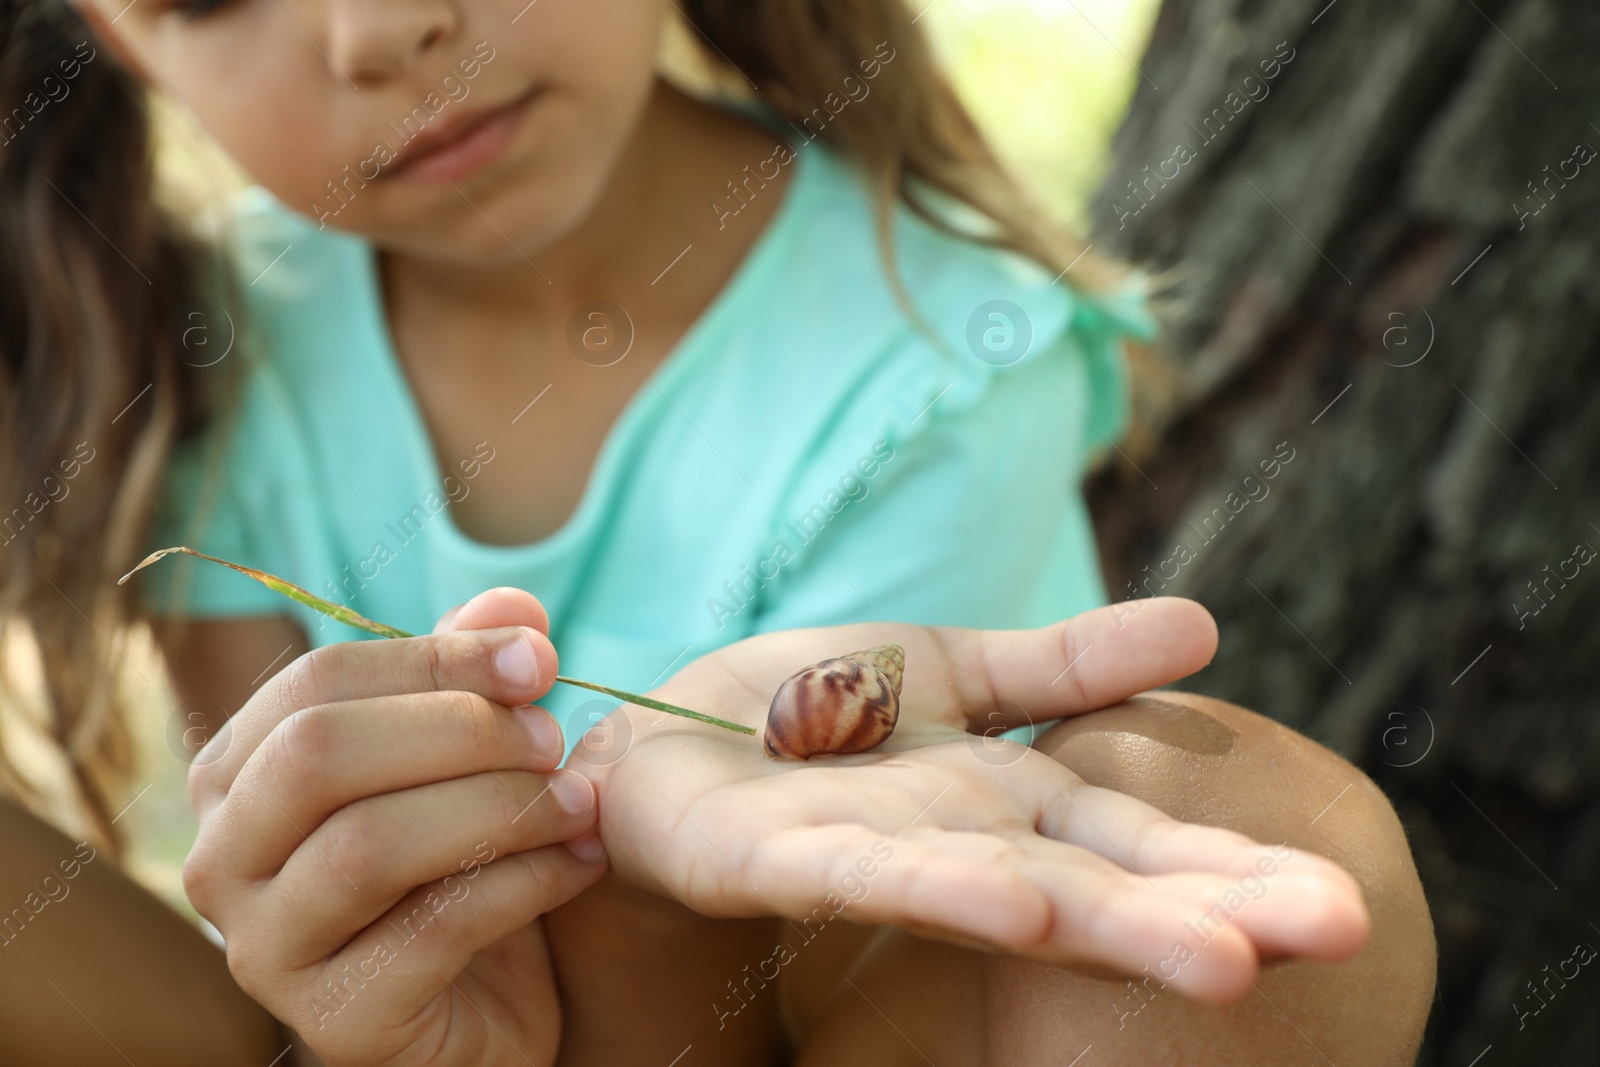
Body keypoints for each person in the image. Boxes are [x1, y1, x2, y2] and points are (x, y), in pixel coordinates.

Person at [0, 0, 1435, 1063]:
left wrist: (637, 897)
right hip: (423, 1026)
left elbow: (845, 958)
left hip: (824, 1022)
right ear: (122, 39)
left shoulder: (931, 358)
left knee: (1211, 811)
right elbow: (294, 920)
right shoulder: (205, 350)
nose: (383, 30)